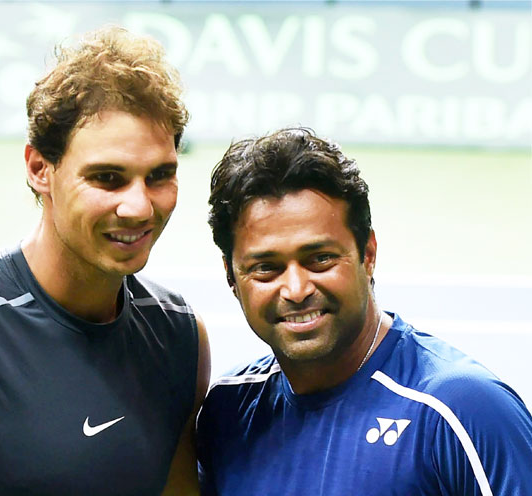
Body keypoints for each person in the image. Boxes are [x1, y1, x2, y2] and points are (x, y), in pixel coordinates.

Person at [0, 26, 210, 496]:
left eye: (159, 176)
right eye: (108, 178)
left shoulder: (179, 338)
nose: (140, 206)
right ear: (39, 169)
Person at [196, 127, 532, 495]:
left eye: (320, 259)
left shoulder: (461, 409)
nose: (296, 290)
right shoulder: (228, 412)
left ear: (367, 254)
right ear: (231, 276)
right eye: (266, 268)